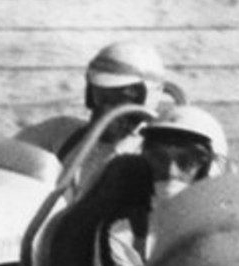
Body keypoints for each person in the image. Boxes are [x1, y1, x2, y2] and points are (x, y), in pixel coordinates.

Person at [94, 104, 230, 266]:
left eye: (186, 161)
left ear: (212, 166)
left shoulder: (234, 230)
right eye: (157, 159)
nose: (170, 171)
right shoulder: (123, 233)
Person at [16, 40, 170, 197]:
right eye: (101, 95)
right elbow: (5, 160)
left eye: (120, 97)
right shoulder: (59, 133)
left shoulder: (156, 156)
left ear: (146, 98)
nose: (107, 108)